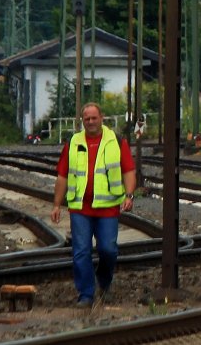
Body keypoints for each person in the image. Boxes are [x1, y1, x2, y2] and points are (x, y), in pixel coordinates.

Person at [51, 102, 136, 308]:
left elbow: (129, 170)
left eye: (93, 118)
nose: (90, 122)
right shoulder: (73, 142)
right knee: (81, 250)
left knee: (108, 249)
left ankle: (104, 282)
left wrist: (129, 195)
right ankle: (86, 294)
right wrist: (56, 205)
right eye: (86, 119)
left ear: (102, 118)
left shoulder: (116, 141)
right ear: (82, 121)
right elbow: (62, 175)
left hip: (108, 207)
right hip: (80, 207)